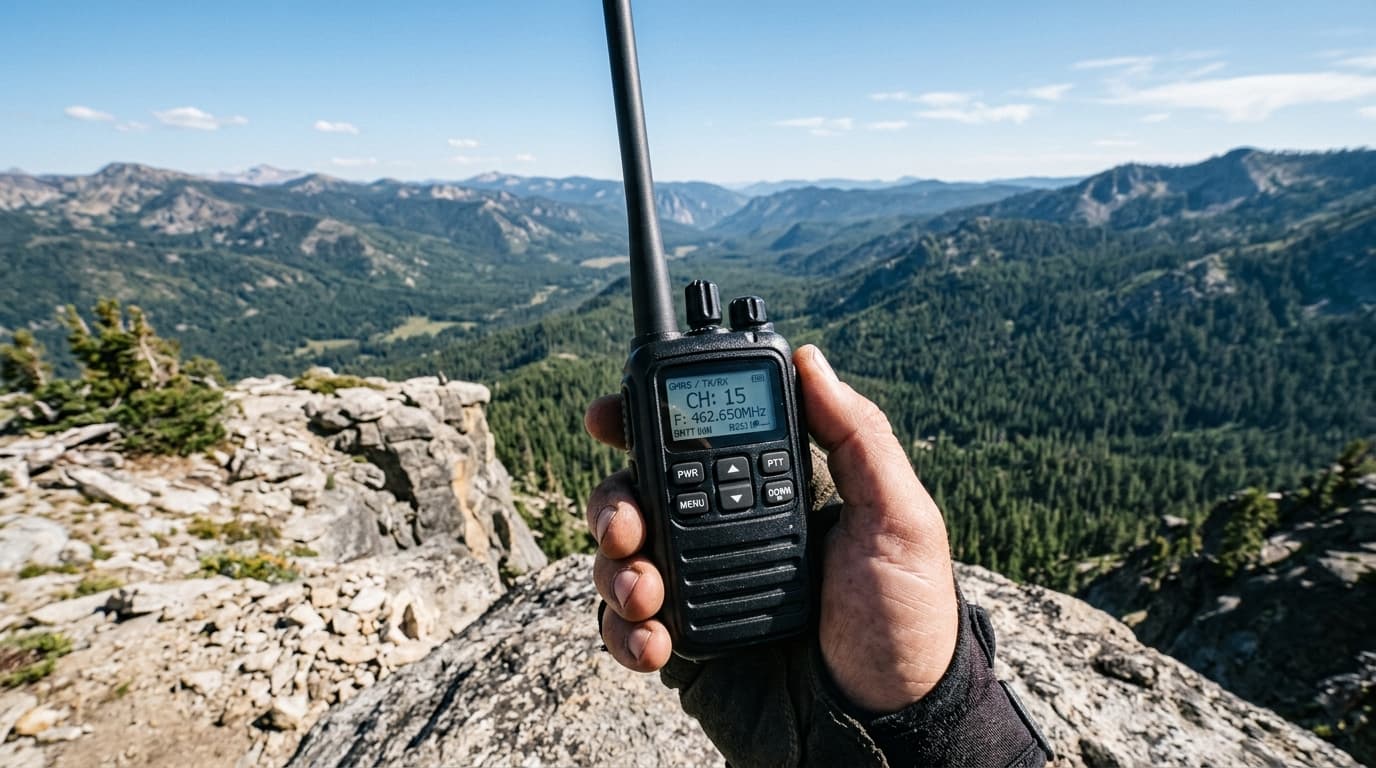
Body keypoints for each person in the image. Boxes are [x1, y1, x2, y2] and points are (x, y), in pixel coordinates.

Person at [583, 344, 1053, 767]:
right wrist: (945, 730)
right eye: (703, 408)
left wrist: (934, 719)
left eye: (739, 404)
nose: (728, 472)